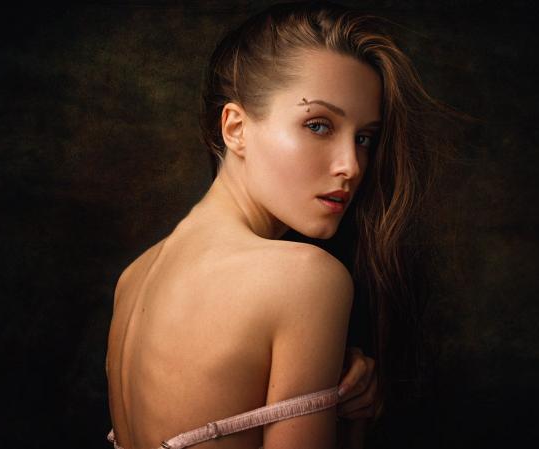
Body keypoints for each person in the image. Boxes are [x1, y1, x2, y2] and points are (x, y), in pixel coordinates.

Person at [107, 1, 460, 448]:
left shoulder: (134, 278)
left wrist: (337, 403)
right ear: (235, 128)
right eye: (318, 126)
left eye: (364, 138)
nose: (351, 165)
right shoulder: (305, 277)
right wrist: (353, 427)